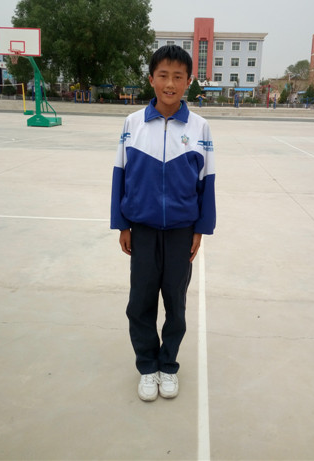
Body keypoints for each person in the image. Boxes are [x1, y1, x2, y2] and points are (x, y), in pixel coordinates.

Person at [110, 45, 216, 402]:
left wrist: (200, 228)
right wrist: (122, 224)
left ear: (188, 81)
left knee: (176, 303)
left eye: (178, 77)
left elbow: (207, 181)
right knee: (140, 302)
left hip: (181, 232)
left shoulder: (200, 127)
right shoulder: (133, 124)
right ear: (151, 79)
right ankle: (147, 366)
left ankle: (168, 365)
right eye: (163, 75)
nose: (170, 84)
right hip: (142, 229)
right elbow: (120, 175)